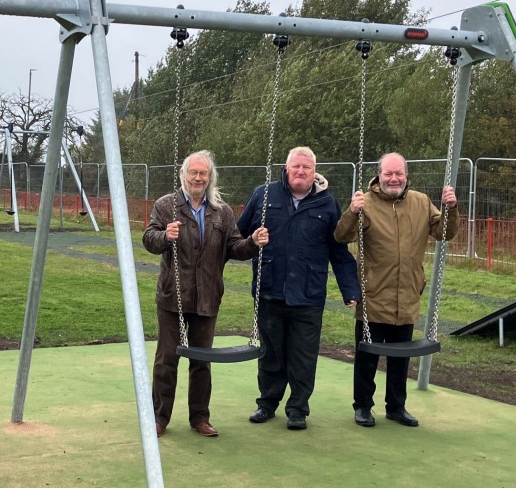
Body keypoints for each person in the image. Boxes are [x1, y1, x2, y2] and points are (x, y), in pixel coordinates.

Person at [142, 150, 268, 438]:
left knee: (202, 361)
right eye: (193, 172)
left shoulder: (220, 211)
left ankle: (200, 417)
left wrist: (253, 242)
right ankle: (159, 418)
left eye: (204, 173)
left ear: (210, 178)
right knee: (166, 360)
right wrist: (165, 236)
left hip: (207, 297)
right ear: (183, 175)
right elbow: (149, 238)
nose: (198, 178)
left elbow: (234, 247)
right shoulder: (166, 206)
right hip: (173, 296)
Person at [237, 146, 360, 431]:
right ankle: (267, 404)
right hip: (269, 288)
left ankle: (298, 409)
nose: (301, 172)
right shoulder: (264, 195)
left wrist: (350, 289)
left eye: (307, 167)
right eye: (296, 167)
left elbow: (338, 251)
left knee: (303, 355)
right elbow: (237, 235)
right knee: (271, 353)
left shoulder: (327, 204)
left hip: (308, 293)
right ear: (286, 168)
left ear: (314, 171)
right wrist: (252, 241)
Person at [334, 152, 459, 428]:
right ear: (378, 176)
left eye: (398, 174)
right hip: (374, 295)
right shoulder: (364, 203)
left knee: (401, 358)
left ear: (406, 175)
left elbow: (444, 233)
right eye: (388, 174)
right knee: (367, 357)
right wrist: (352, 212)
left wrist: (450, 208)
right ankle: (363, 406)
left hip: (407, 295)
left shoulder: (421, 202)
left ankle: (397, 407)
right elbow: (342, 236)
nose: (394, 179)